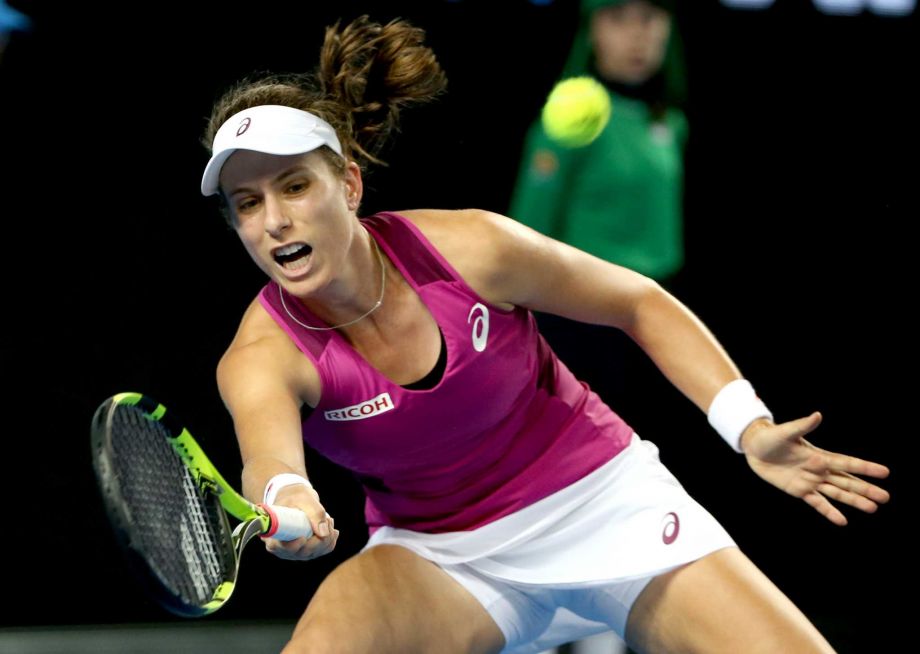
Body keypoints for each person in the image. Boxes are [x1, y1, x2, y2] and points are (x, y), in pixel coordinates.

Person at [201, 15, 889, 654]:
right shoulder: (263, 354)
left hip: (601, 502)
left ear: (349, 184)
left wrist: (748, 428)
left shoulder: (472, 249)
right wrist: (289, 497)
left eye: (294, 187)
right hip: (442, 558)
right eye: (248, 204)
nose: (274, 221)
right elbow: (270, 460)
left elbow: (639, 303)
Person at [509, 0, 687, 414]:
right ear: (593, 31)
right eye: (619, 19)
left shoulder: (670, 123)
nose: (637, 34)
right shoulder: (567, 123)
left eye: (648, 18)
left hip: (654, 316)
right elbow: (526, 233)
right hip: (583, 321)